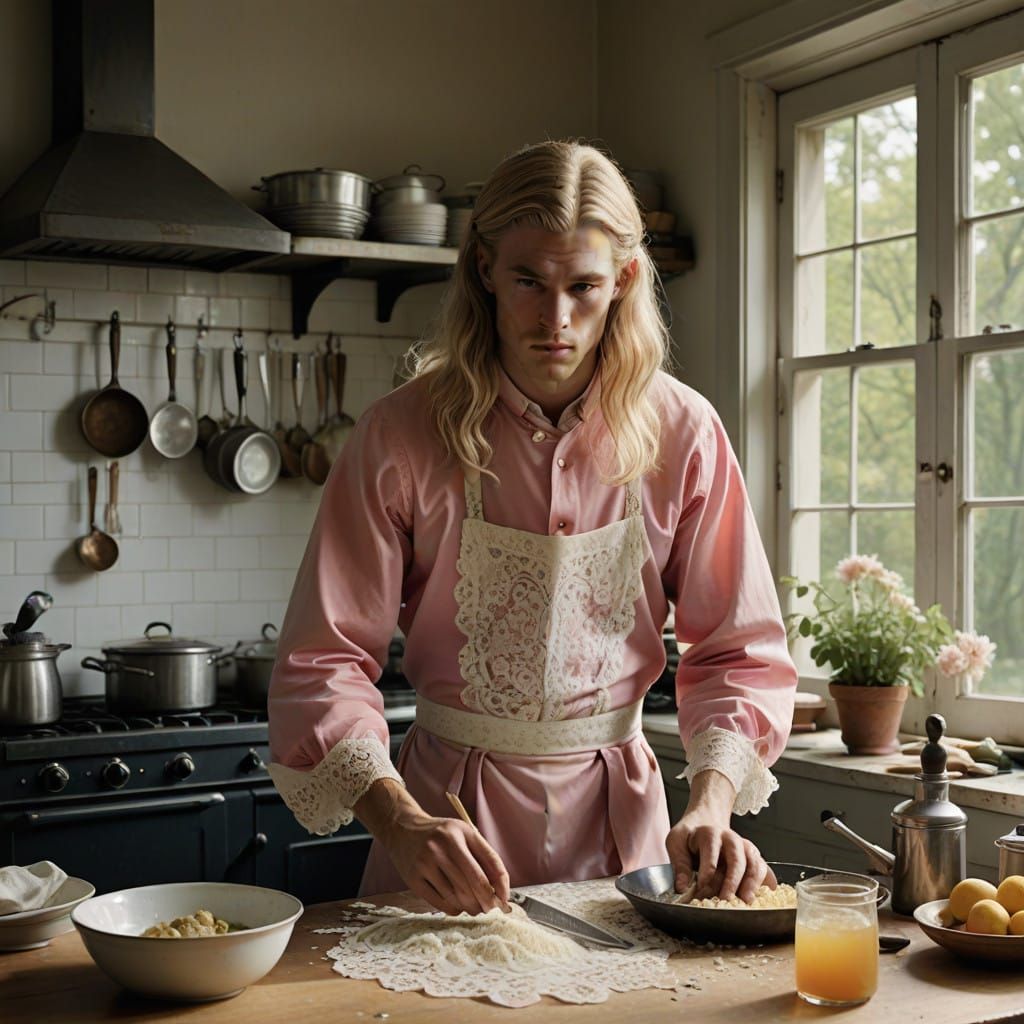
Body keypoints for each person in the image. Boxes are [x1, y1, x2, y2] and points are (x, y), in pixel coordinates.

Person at [267, 140, 797, 917]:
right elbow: (323, 661)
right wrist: (401, 822)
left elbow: (738, 654)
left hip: (627, 842)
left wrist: (712, 805)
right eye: (528, 282)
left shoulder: (686, 433)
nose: (556, 319)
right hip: (443, 837)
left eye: (583, 286)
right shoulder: (398, 435)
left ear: (624, 279)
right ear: (483, 268)